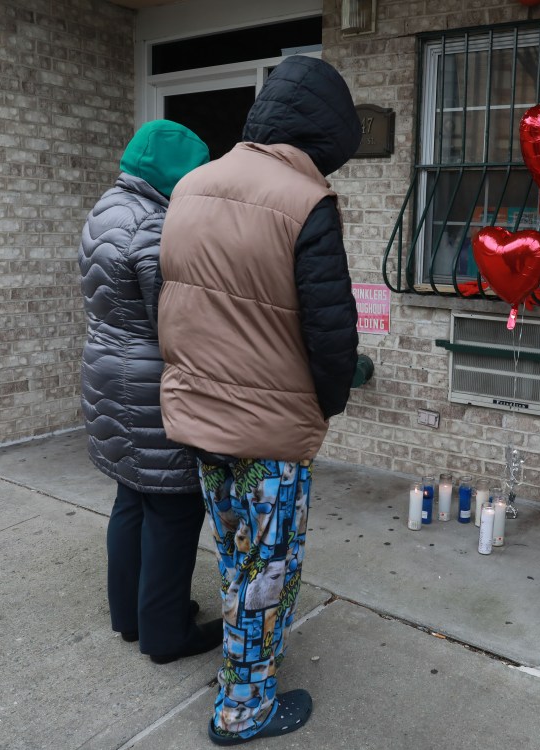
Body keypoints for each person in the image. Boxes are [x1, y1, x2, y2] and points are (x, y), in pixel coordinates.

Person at [156, 56, 361, 744]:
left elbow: (173, 304)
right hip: (270, 430)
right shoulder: (304, 202)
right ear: (324, 131)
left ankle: (242, 668)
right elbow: (332, 332)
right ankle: (243, 710)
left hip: (200, 414)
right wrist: (324, 407)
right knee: (268, 569)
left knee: (236, 553)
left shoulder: (189, 187)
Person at [78, 119, 223, 665]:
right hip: (150, 382)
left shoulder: (105, 211)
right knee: (174, 508)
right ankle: (166, 635)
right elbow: (178, 323)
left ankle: (130, 617)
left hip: (107, 372)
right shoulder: (159, 227)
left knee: (131, 497)